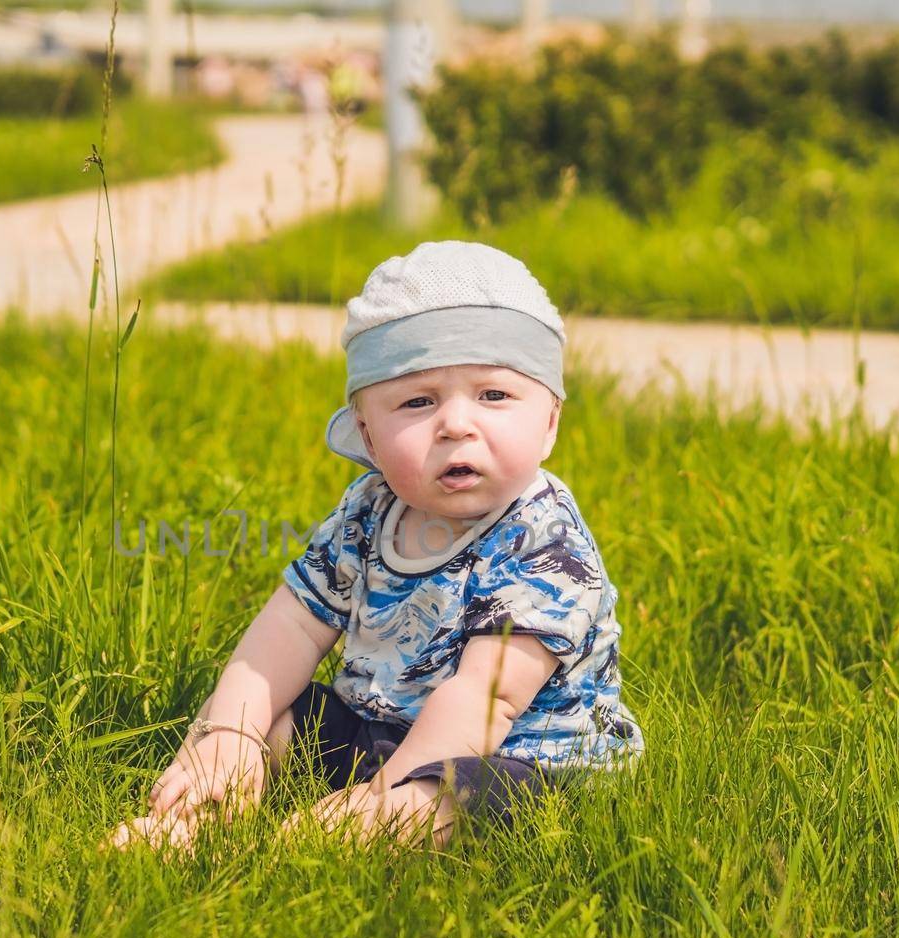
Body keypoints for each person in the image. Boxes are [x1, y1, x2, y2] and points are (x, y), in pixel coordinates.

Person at [106, 240, 644, 854]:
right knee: (279, 721)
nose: (456, 424)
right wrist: (232, 729)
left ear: (549, 423)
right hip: (381, 724)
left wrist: (381, 795)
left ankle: (347, 835)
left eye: (493, 396)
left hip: (517, 759)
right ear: (367, 431)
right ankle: (197, 811)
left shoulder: (544, 540)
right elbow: (294, 627)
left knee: (447, 799)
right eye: (418, 401)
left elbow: (485, 698)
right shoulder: (369, 508)